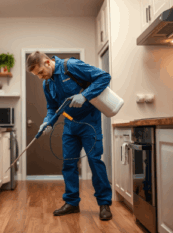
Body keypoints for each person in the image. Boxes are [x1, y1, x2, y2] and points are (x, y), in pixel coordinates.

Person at [26, 51, 113, 220]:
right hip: (70, 126)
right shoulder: (47, 84)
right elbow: (52, 108)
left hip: (90, 123)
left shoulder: (70, 66)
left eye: (40, 72)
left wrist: (84, 95)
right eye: (36, 75)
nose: (40, 77)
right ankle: (72, 203)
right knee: (69, 164)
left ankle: (104, 204)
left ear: (48, 62)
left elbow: (104, 77)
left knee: (95, 161)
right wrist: (47, 122)